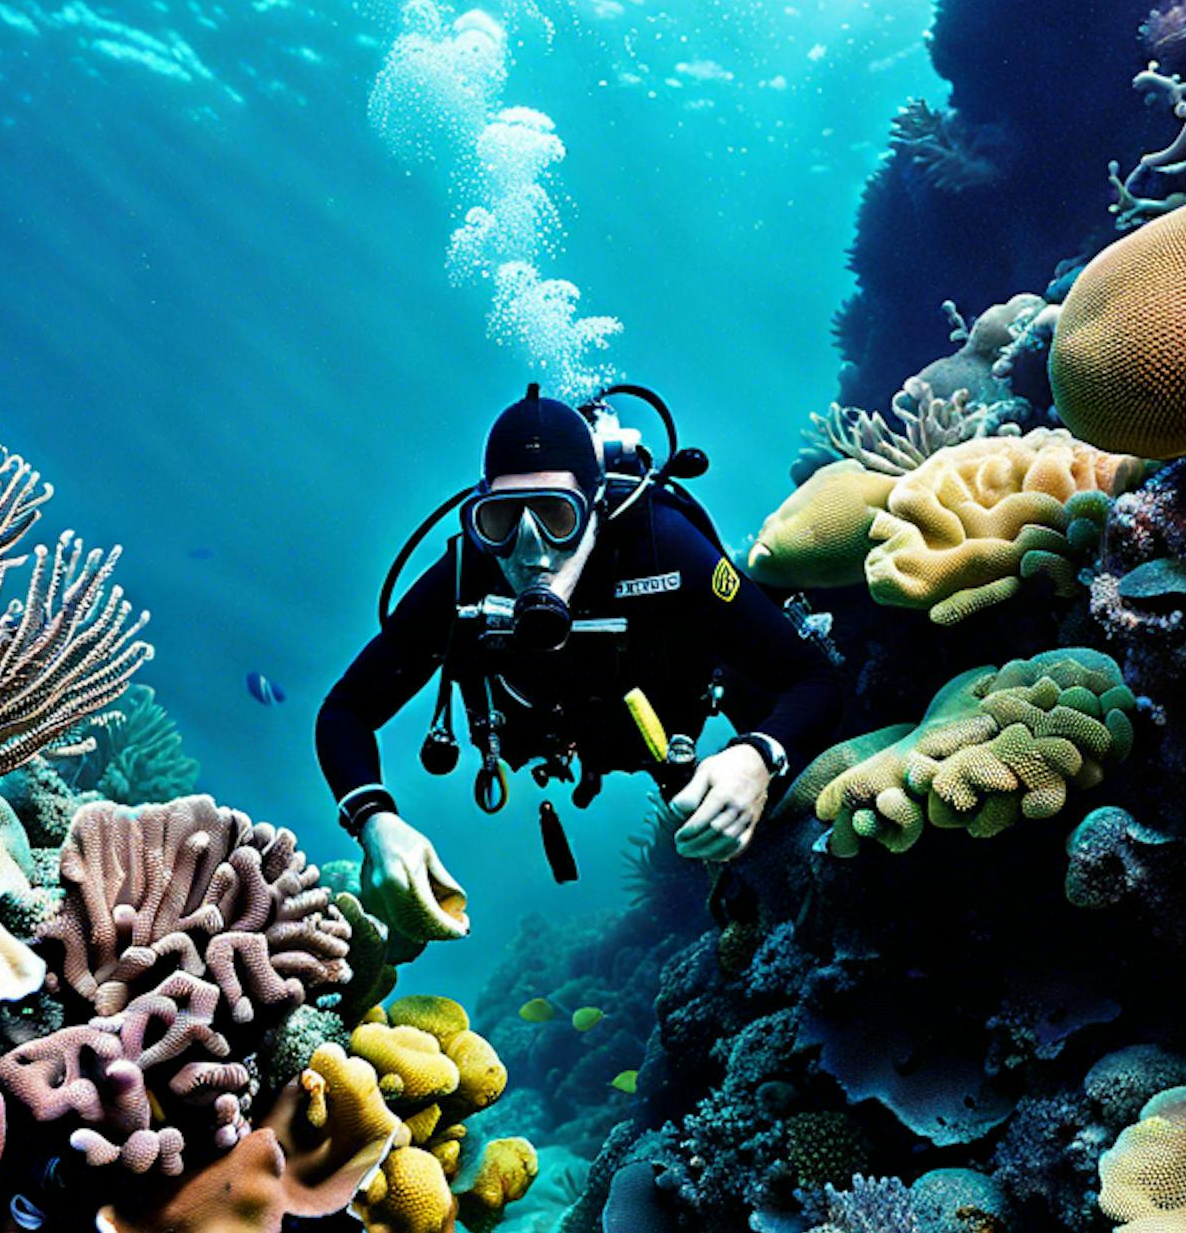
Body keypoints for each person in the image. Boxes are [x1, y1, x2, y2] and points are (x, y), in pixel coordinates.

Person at [317, 385, 841, 939]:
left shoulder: (663, 544)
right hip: (558, 734)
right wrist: (374, 819)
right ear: (479, 516)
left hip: (678, 714)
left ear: (594, 508)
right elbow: (345, 710)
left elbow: (813, 677)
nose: (531, 550)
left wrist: (760, 754)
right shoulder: (464, 577)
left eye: (554, 514)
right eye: (502, 520)